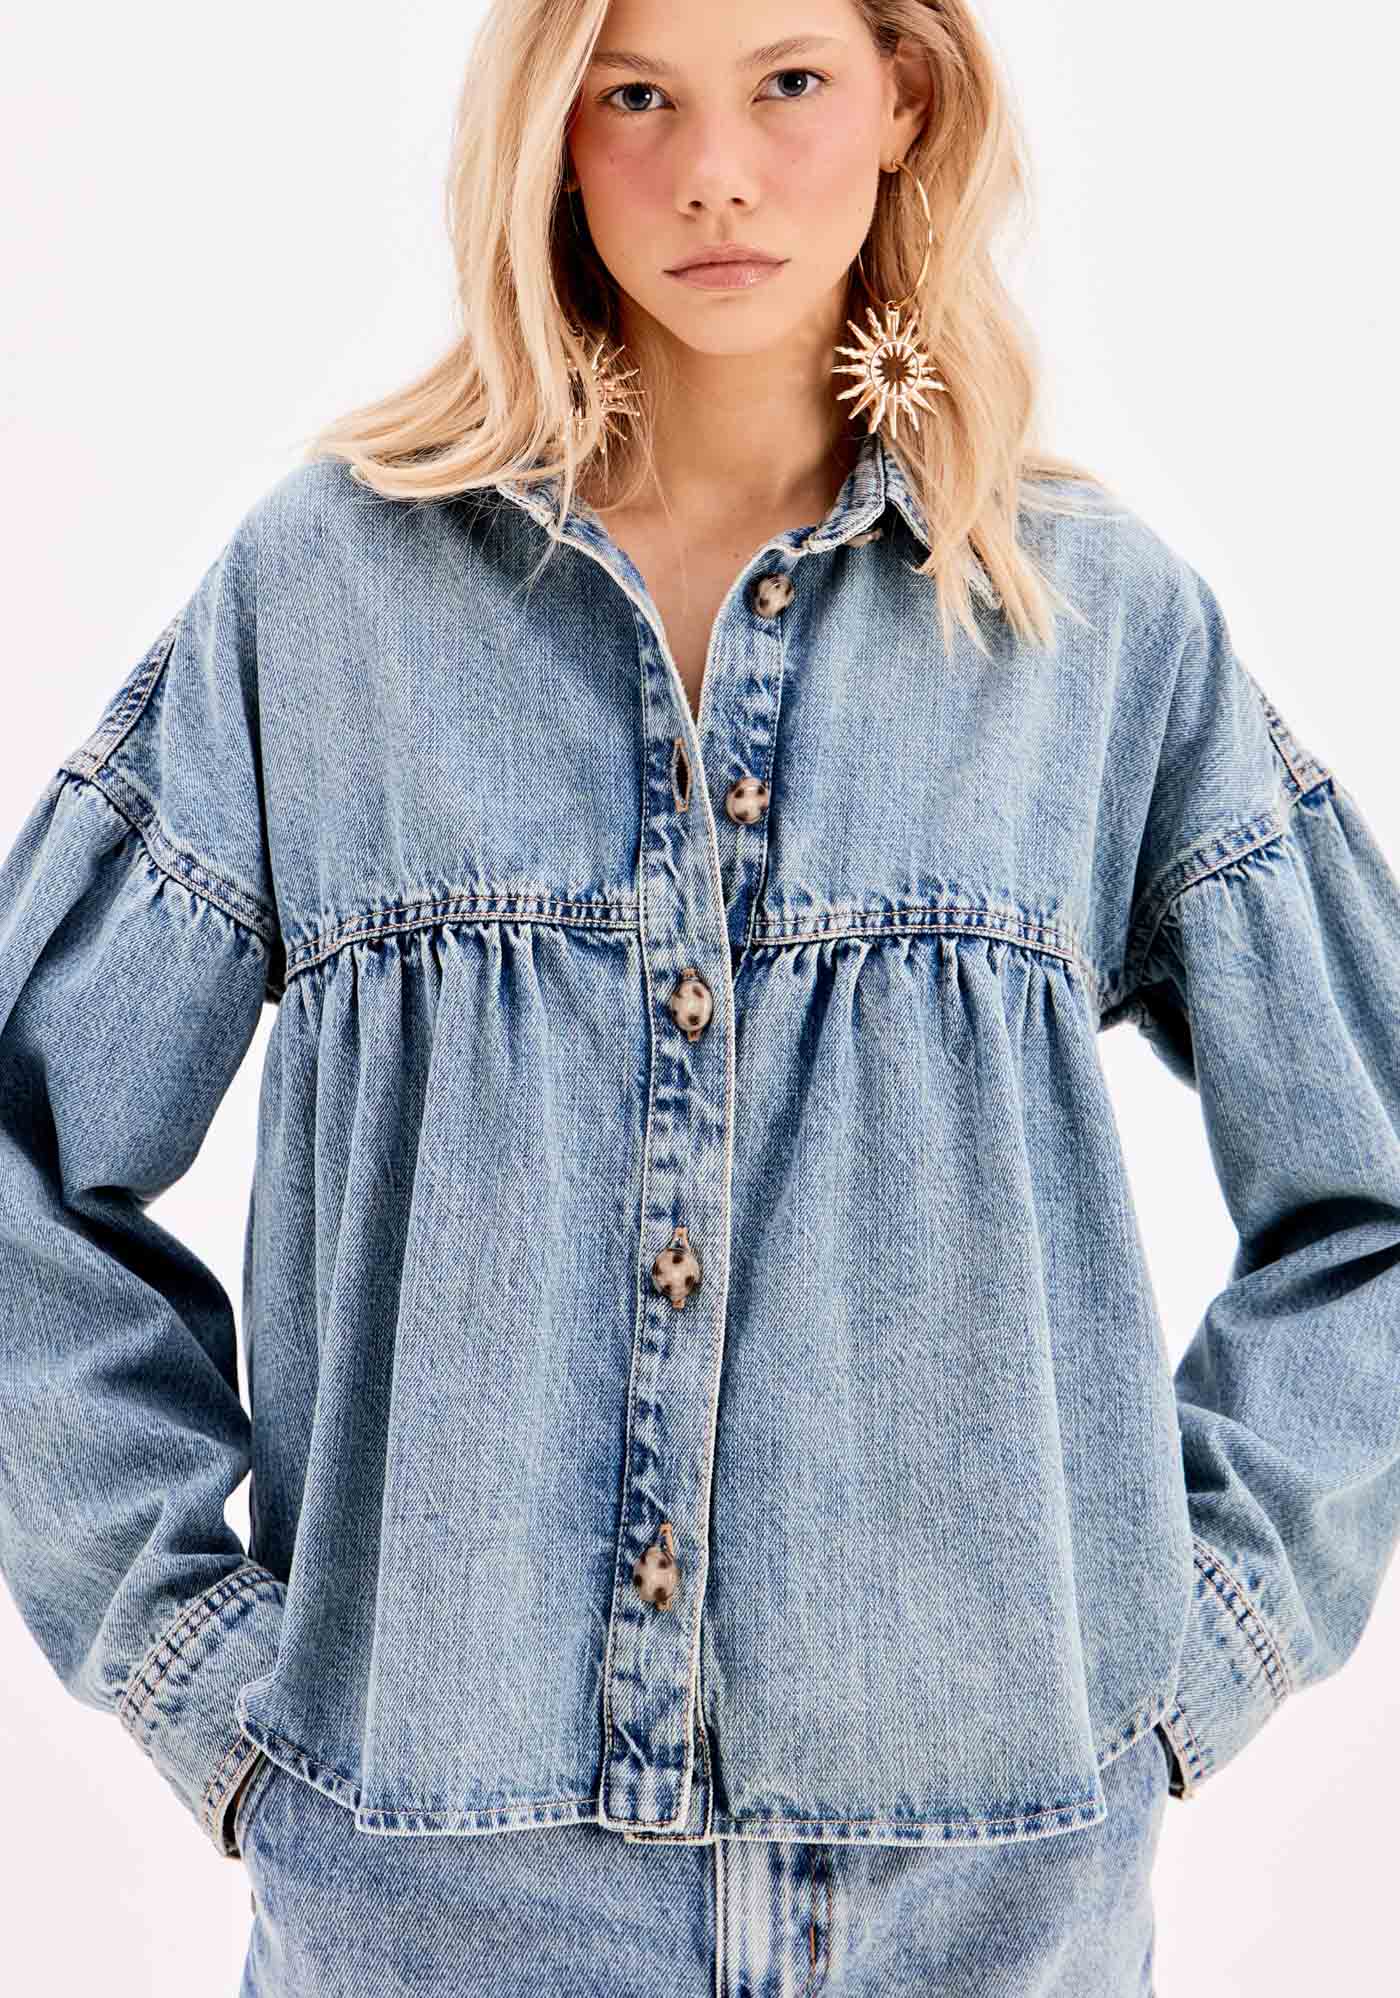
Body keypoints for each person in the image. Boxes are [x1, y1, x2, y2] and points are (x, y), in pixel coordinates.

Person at [2, 2, 1398, 1992]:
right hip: (436, 1908)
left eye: (788, 83)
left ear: (907, 96)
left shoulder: (1091, 626)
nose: (715, 175)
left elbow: (1370, 1186)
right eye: (636, 96)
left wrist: (1196, 1652)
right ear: (548, 133)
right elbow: (24, 1153)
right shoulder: (325, 600)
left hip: (988, 1908)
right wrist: (194, 1665)